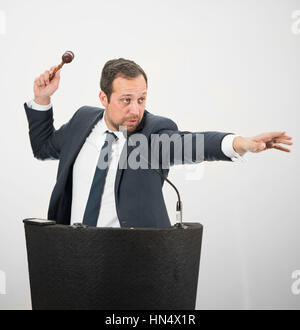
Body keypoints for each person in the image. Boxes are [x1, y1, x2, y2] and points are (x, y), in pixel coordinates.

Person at [24, 58, 293, 228]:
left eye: (141, 99)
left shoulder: (152, 133)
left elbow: (194, 144)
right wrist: (42, 99)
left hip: (134, 257)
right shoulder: (83, 120)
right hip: (72, 254)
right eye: (126, 100)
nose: (135, 110)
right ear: (103, 98)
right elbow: (43, 147)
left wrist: (239, 143)